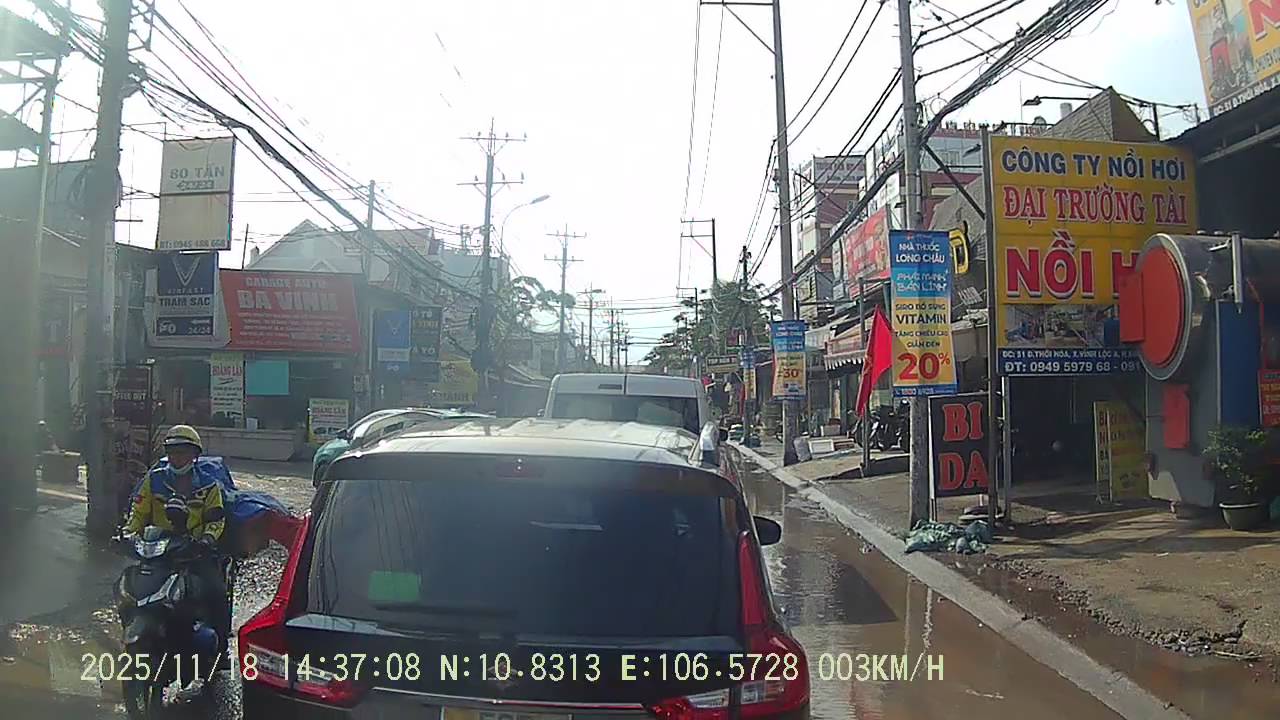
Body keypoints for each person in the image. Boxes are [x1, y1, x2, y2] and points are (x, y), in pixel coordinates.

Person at [123, 425, 231, 653]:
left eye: (182, 451)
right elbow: (139, 513)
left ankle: (221, 650)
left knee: (217, 593)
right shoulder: (154, 479)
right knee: (129, 588)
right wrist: (128, 534)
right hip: (159, 551)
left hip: (194, 553)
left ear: (194, 455)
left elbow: (216, 519)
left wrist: (207, 539)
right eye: (172, 451)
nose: (176, 457)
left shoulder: (208, 485)